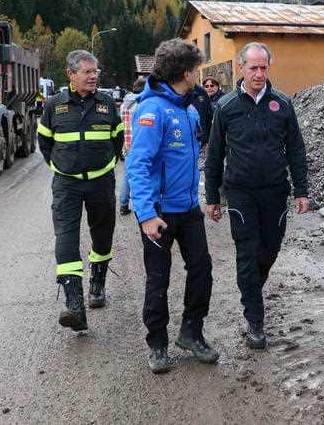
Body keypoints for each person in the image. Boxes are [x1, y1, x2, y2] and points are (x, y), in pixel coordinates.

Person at [205, 42, 309, 349]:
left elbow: (296, 150)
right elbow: (215, 155)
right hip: (240, 192)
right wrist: (212, 197)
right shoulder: (226, 107)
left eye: (264, 68)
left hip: (275, 191)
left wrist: (301, 190)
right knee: (248, 253)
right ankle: (255, 320)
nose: (259, 74)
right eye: (253, 68)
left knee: (269, 250)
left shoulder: (283, 104)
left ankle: (252, 288)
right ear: (241, 68)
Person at [126, 39, 219, 374]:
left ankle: (191, 333)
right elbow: (137, 165)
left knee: (202, 270)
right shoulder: (151, 111)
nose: (199, 74)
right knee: (158, 280)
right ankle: (157, 344)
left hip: (189, 209)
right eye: (196, 69)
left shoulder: (188, 108)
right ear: (185, 72)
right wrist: (146, 215)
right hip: (160, 213)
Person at [37, 50, 123, 331]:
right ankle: (74, 304)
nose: (93, 76)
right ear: (71, 74)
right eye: (87, 71)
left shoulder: (107, 104)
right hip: (66, 184)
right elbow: (45, 143)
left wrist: (105, 165)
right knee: (66, 237)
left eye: (95, 71)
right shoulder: (54, 105)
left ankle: (97, 284)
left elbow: (118, 140)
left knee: (102, 234)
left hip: (101, 182)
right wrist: (61, 167)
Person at [119, 77, 147, 215]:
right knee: (142, 176)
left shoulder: (124, 104)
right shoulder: (143, 104)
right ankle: (141, 208)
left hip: (127, 145)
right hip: (141, 145)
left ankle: (123, 204)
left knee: (127, 174)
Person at [189, 81, 213, 147]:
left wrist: (207, 139)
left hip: (201, 141)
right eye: (207, 86)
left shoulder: (201, 92)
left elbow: (209, 117)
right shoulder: (176, 92)